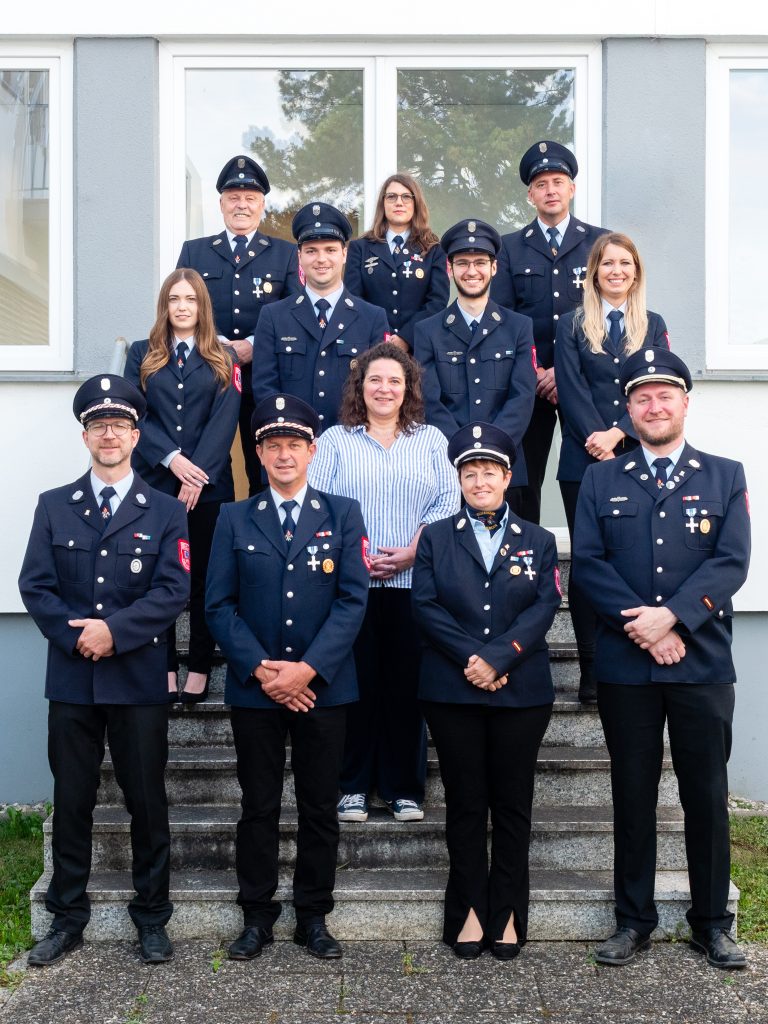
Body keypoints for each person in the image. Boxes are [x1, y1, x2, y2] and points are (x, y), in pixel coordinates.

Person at [573, 350, 751, 970]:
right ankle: (633, 920)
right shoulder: (601, 480)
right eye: (642, 398)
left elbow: (729, 562)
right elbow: (589, 567)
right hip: (627, 666)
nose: (654, 406)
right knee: (632, 794)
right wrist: (648, 631)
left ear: (684, 403)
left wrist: (672, 617)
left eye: (665, 396)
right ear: (629, 410)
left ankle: (711, 924)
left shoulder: (725, 475)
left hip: (701, 662)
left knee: (706, 794)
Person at [18, 375, 191, 966]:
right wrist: (81, 638)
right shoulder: (53, 506)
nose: (109, 434)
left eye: (119, 425)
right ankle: (67, 918)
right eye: (99, 425)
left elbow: (173, 590)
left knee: (147, 800)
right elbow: (35, 587)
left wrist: (113, 632)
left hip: (138, 680)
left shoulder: (165, 511)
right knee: (72, 800)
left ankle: (151, 916)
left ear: (137, 435)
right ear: (85, 435)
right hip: (72, 680)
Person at [206, 394, 369, 961]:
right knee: (259, 805)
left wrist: (307, 670)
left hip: (324, 688)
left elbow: (352, 600)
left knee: (320, 805)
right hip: (256, 691)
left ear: (312, 451)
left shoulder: (343, 513)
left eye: (293, 444)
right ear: (258, 453)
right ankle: (256, 916)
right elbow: (218, 606)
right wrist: (261, 669)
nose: (283, 454)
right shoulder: (234, 517)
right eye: (272, 444)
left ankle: (313, 916)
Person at [411, 422, 561, 959]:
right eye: (469, 472)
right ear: (459, 479)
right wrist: (472, 660)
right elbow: (425, 605)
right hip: (452, 689)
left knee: (513, 804)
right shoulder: (434, 537)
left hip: (521, 691)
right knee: (466, 804)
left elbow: (544, 607)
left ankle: (510, 912)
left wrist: (500, 658)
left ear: (508, 476)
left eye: (489, 471)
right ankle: (469, 910)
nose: (480, 480)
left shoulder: (539, 541)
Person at [308, 342, 459, 823]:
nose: (384, 388)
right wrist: (357, 556)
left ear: (409, 387)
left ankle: (403, 789)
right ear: (360, 386)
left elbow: (447, 503)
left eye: (395, 380)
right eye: (375, 379)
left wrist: (414, 550)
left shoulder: (432, 441)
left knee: (404, 688)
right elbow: (321, 506)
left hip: (413, 585)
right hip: (351, 588)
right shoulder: (334, 441)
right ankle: (351, 786)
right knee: (356, 687)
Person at [554, 233, 670, 703]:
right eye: (608, 263)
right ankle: (592, 669)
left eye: (625, 263)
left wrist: (620, 432)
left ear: (636, 271)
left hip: (638, 454)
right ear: (594, 272)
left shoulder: (653, 323)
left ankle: (633, 654)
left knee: (637, 558)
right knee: (589, 565)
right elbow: (570, 385)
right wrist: (598, 439)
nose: (616, 271)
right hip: (583, 460)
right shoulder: (571, 324)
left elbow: (657, 384)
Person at [124, 268, 241, 703]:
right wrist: (174, 462)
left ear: (202, 306)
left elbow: (224, 418)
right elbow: (135, 413)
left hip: (209, 488)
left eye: (190, 299)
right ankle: (165, 664)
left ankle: (199, 666)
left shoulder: (223, 356)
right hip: (156, 483)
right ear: (165, 305)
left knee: (205, 579)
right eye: (175, 299)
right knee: (160, 575)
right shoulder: (142, 354)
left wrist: (197, 474)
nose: (182, 307)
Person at [491, 141, 609, 523]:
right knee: (524, 481)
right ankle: (531, 566)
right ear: (530, 195)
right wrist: (539, 372)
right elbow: (504, 319)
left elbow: (607, 314)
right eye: (541, 185)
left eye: (558, 182)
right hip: (531, 384)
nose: (551, 190)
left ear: (572, 189)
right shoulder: (509, 248)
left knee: (591, 474)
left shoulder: (599, 243)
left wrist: (564, 371)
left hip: (585, 382)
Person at [177, 154, 300, 493]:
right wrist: (212, 342)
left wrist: (253, 344)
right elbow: (180, 304)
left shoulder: (285, 254)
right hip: (206, 369)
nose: (241, 205)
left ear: (262, 205)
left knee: (264, 460)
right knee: (208, 459)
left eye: (250, 199)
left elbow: (295, 312)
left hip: (263, 374)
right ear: (221, 204)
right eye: (234, 198)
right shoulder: (194, 252)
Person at [414, 218, 536, 514]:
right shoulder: (428, 331)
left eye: (480, 262)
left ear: (494, 268)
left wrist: (491, 451)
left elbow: (522, 397)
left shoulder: (519, 327)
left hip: (507, 468)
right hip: (449, 467)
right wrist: (464, 451)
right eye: (463, 263)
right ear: (450, 269)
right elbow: (429, 401)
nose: (472, 271)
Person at [252, 202, 389, 430]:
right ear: (299, 257)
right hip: (292, 449)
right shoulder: (273, 317)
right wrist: (297, 435)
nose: (321, 259)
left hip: (351, 448)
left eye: (330, 250)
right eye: (311, 251)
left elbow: (378, 391)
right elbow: (265, 388)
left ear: (344, 254)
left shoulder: (372, 318)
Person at [344, 173, 449, 352]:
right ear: (382, 203)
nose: (399, 202)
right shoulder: (360, 248)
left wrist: (406, 338)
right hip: (371, 347)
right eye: (391, 196)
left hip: (418, 350)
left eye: (406, 197)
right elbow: (353, 299)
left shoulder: (433, 249)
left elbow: (437, 303)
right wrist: (379, 336)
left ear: (416, 204)